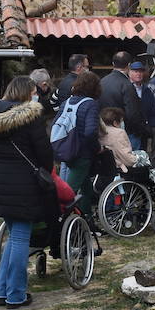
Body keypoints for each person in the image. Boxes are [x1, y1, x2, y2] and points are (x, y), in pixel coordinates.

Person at [0, 77, 55, 309]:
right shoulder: (31, 118)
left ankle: (3, 290)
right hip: (24, 185)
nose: (36, 96)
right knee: (21, 238)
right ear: (26, 93)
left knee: (13, 237)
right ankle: (15, 294)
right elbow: (44, 153)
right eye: (34, 92)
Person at [55, 70, 102, 216]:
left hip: (67, 151)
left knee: (86, 189)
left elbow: (56, 124)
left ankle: (86, 219)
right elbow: (90, 132)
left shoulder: (66, 102)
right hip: (82, 154)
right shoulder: (91, 105)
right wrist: (97, 148)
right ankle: (59, 220)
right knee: (69, 193)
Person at [98, 51, 150, 150]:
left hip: (104, 130)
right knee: (129, 162)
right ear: (129, 65)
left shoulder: (102, 82)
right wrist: (140, 130)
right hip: (126, 133)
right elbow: (132, 114)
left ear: (113, 64)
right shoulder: (127, 85)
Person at [98, 107, 137, 172]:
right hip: (120, 167)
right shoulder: (119, 133)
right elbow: (125, 156)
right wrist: (136, 159)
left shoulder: (100, 132)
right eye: (121, 121)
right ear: (115, 122)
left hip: (104, 165)